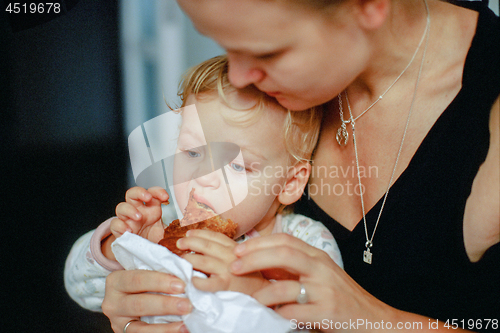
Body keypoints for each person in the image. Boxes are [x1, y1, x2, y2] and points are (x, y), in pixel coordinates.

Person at [98, 0, 500, 332]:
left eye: (268, 52)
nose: (240, 77)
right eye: (225, 46)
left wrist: (372, 319)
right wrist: (133, 298)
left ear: (369, 6)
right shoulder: (263, 102)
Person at [64, 55, 343, 326]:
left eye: (237, 166)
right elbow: (79, 287)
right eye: (193, 153)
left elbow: (331, 323)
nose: (203, 177)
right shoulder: (168, 221)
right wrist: (126, 247)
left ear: (290, 183)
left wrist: (261, 295)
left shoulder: (305, 244)